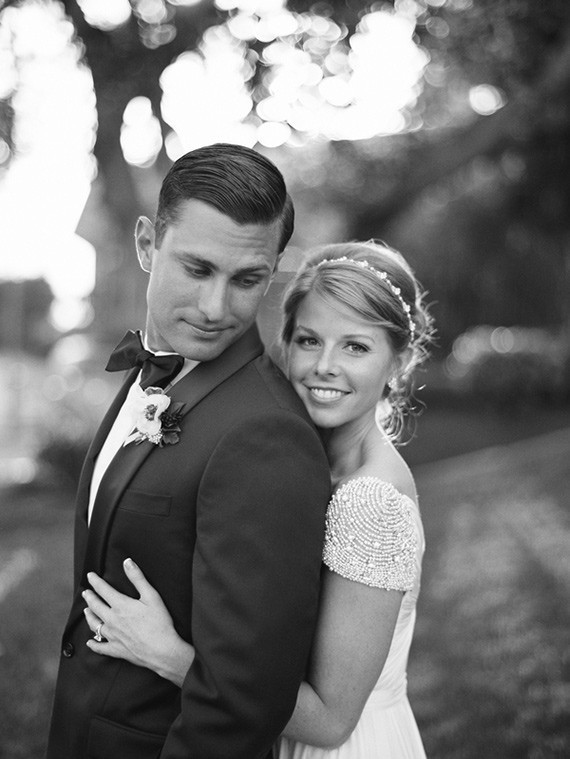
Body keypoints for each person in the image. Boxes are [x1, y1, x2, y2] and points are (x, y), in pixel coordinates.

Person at [82, 240, 434, 757]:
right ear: (285, 343)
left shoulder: (370, 502)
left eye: (355, 347)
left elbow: (331, 722)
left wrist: (169, 654)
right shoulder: (301, 464)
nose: (324, 366)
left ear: (398, 362)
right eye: (309, 340)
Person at [46, 143, 332, 759]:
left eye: (247, 279)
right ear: (147, 244)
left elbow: (243, 703)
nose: (214, 309)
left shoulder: (265, 434)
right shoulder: (151, 372)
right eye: (197, 269)